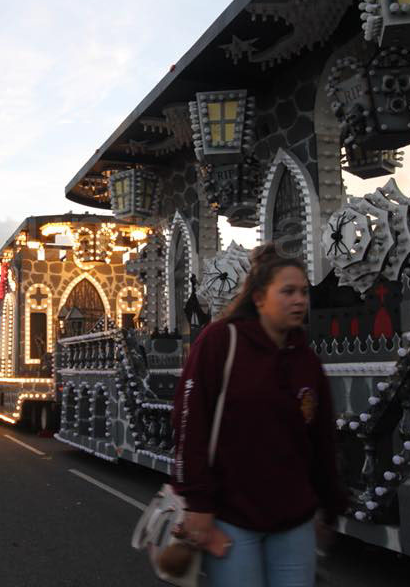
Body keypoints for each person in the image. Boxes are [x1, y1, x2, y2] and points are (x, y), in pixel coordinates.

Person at [170, 243, 345, 587]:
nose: (300, 301)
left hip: (294, 518)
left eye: (304, 292)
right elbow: (190, 421)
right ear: (260, 298)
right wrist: (197, 503)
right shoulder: (222, 341)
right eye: (288, 292)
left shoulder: (306, 360)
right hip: (231, 517)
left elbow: (321, 438)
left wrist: (329, 503)